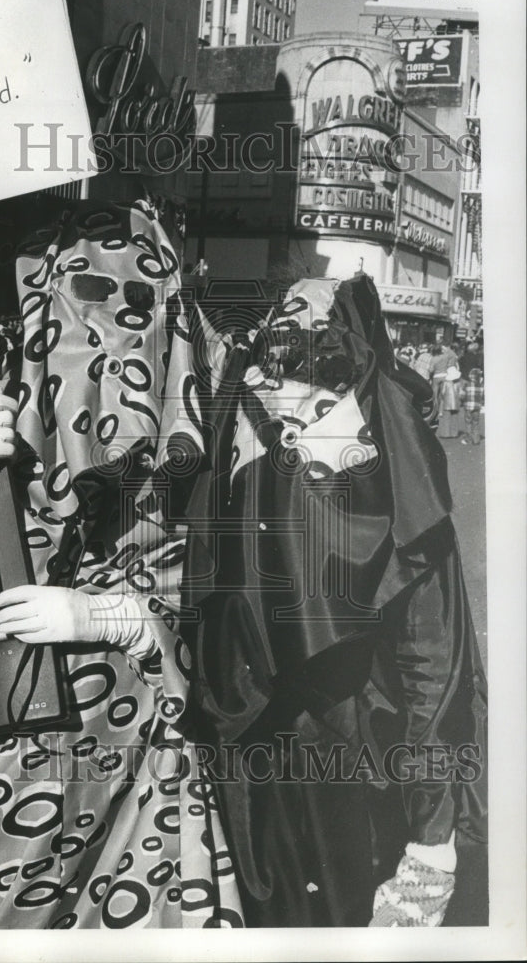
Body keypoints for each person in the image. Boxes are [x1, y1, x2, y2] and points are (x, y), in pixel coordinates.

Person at [0, 200, 243, 930]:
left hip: (135, 779)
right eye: (87, 299)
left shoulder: (190, 461)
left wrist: (128, 618)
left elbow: (238, 627)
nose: (113, 335)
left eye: (141, 306)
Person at [182, 275, 487, 927]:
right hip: (258, 781)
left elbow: (436, 671)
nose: (296, 429)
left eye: (322, 405)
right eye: (281, 408)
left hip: (362, 784)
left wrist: (432, 849)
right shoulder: (252, 459)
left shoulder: (402, 495)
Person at [460, 367, 484, 445]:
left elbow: (462, 396)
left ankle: (468, 439)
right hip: (477, 407)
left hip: (468, 407)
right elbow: (482, 396)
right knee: (476, 423)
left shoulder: (466, 385)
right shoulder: (480, 386)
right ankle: (476, 440)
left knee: (468, 423)